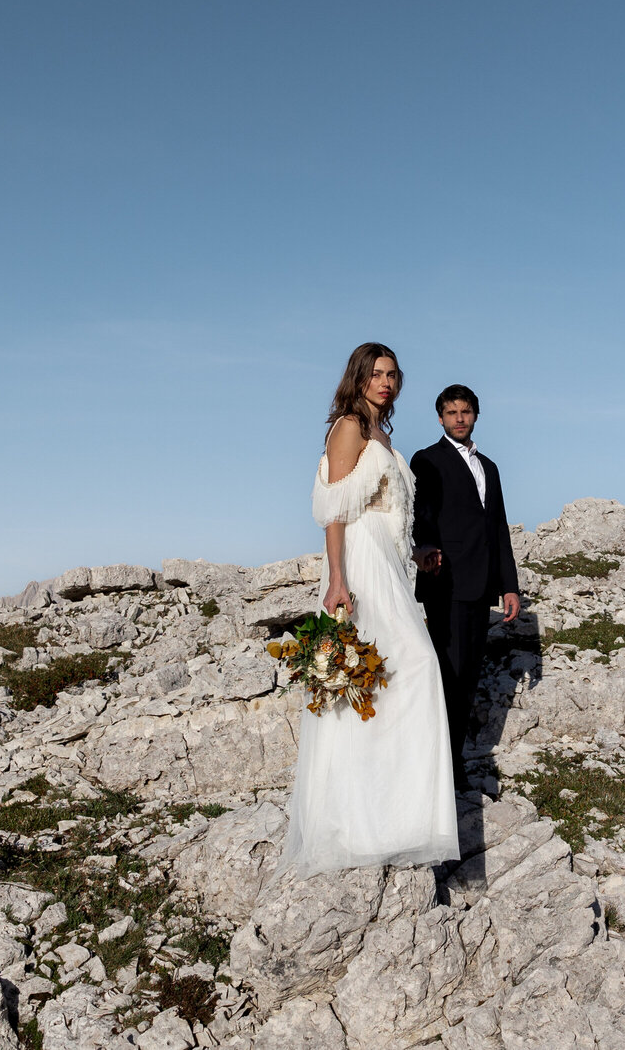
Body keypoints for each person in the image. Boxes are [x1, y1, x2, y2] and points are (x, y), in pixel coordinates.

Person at [276, 343, 460, 877]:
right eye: (375, 373)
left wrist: (418, 552)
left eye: (392, 374)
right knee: (399, 674)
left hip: (391, 564)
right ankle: (358, 822)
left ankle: (396, 817)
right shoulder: (349, 427)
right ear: (357, 378)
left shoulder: (384, 434)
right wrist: (337, 577)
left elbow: (390, 512)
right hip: (359, 566)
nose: (385, 381)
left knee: (394, 681)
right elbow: (334, 511)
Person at [410, 384, 520, 791]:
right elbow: (420, 514)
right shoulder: (426, 459)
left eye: (466, 411)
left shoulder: (489, 466)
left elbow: (498, 529)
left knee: (469, 678)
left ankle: (451, 760)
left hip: (481, 587)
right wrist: (424, 548)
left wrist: (509, 586)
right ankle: (446, 769)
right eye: (451, 412)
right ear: (440, 418)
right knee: (449, 677)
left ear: (475, 415)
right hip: (446, 582)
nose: (459, 418)